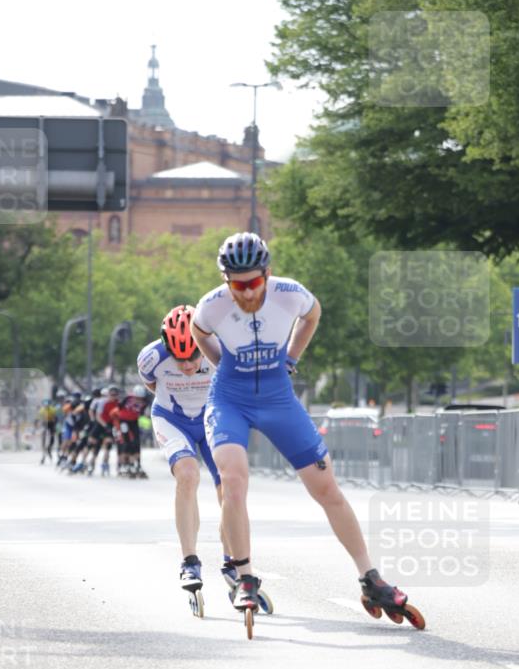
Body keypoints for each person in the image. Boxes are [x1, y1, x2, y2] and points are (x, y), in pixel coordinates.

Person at [191, 232, 415, 616]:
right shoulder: (211, 306)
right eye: (237, 285)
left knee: (327, 488)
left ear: (268, 273)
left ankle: (370, 577)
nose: (245, 293)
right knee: (233, 480)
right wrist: (221, 367)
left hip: (279, 399)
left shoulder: (290, 294)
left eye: (254, 282)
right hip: (230, 399)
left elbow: (313, 314)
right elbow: (199, 332)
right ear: (226, 280)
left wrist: (291, 357)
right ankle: (244, 575)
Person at [137, 305, 233, 593]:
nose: (188, 365)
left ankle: (232, 561)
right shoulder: (150, 358)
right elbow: (153, 386)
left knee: (229, 486)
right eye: (179, 358)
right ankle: (189, 561)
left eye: (193, 356)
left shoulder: (223, 350)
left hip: (211, 417)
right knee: (188, 476)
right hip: (172, 418)